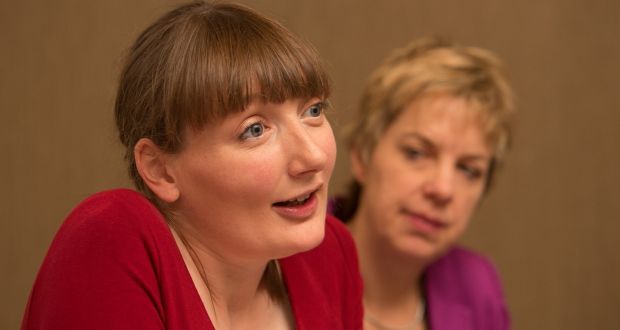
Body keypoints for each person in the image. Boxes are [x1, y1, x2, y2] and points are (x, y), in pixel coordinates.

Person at [21, 2, 363, 329]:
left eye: (313, 111)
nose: (313, 158)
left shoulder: (329, 255)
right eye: (254, 130)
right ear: (160, 170)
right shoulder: (111, 237)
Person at [331, 37, 515, 330]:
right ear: (362, 156)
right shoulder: (284, 264)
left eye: (468, 170)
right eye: (416, 153)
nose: (443, 189)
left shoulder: (478, 287)